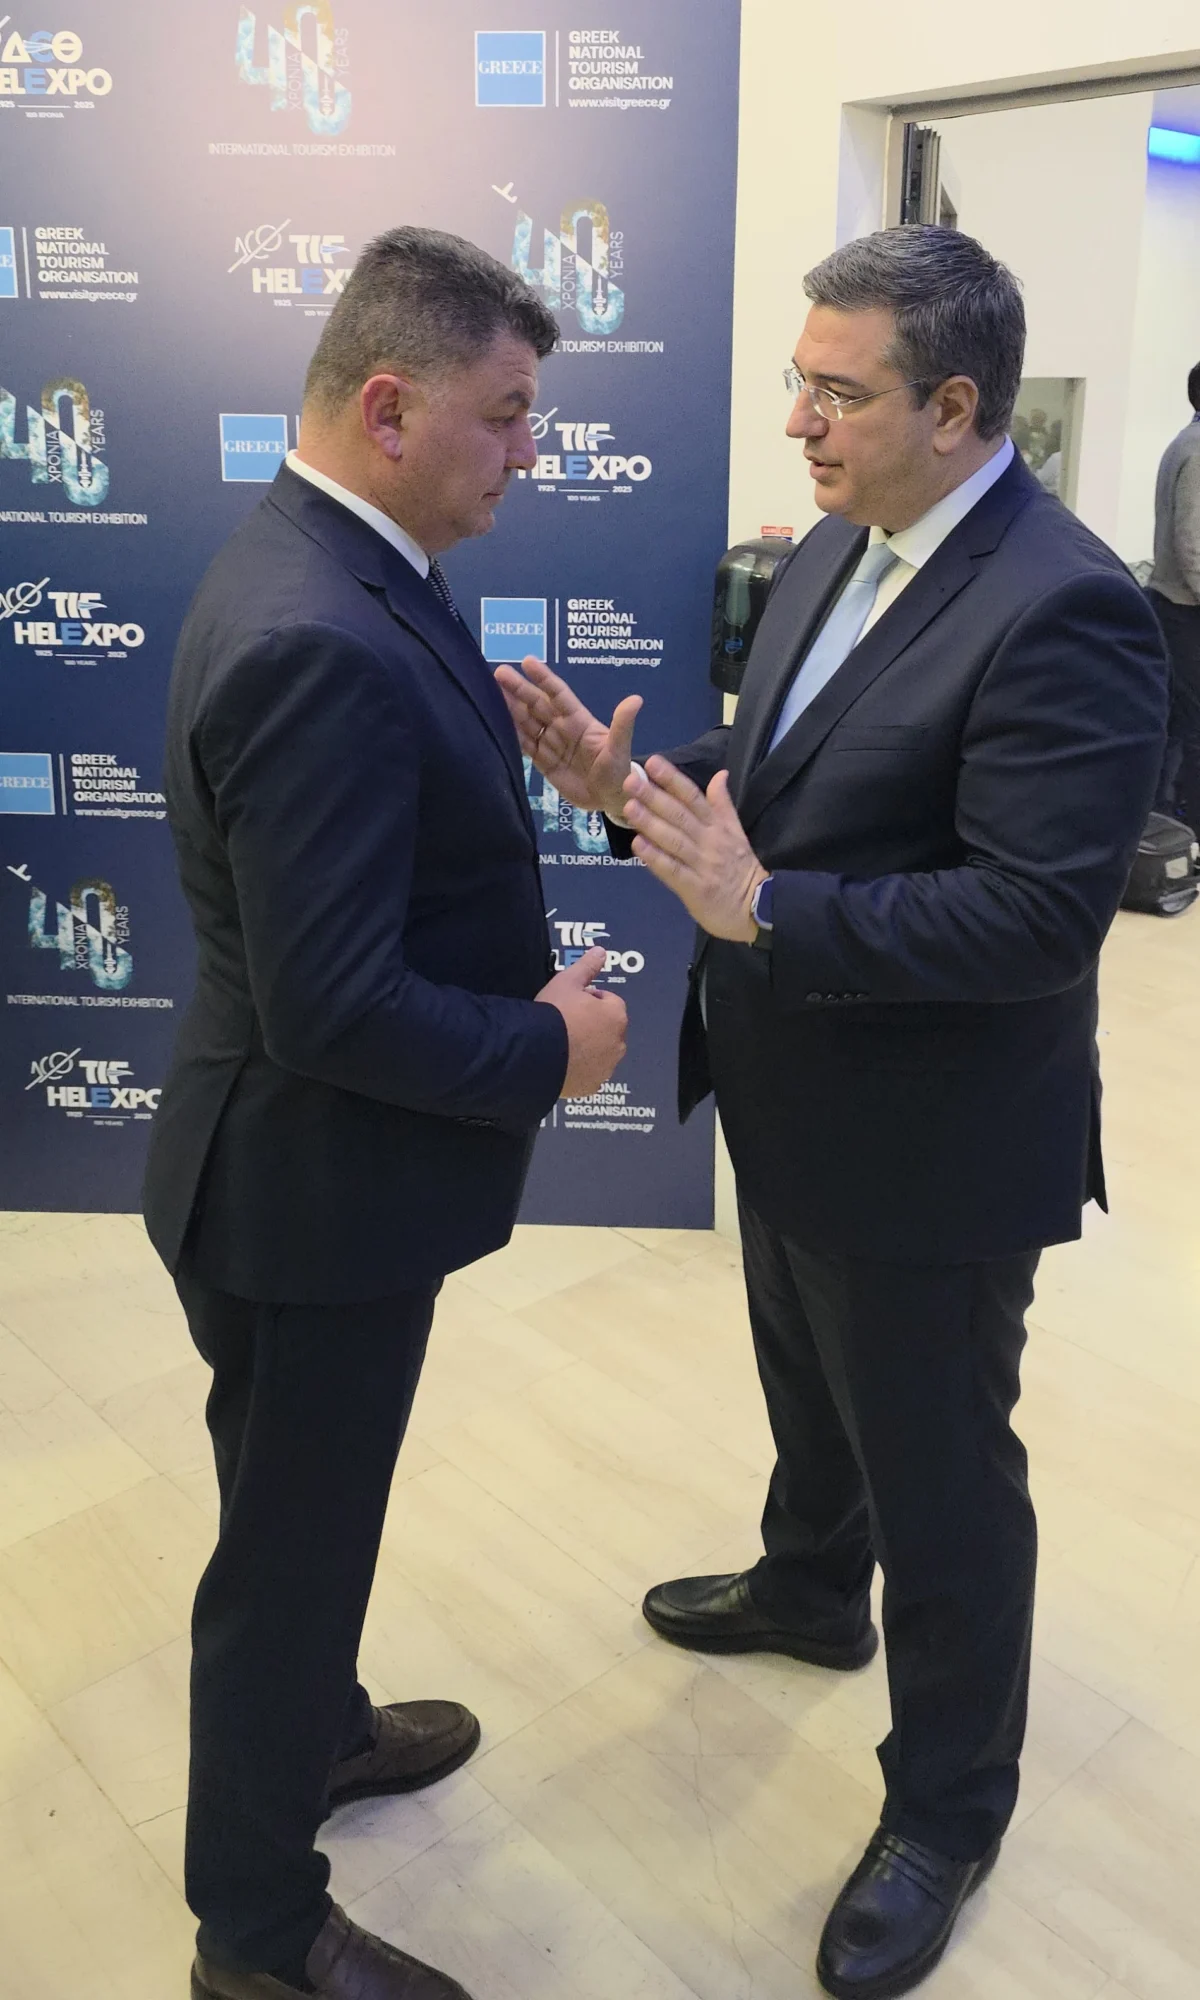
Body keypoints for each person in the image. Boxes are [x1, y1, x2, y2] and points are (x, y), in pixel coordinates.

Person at [495, 225, 1167, 2000]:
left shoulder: (1068, 605)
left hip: (937, 1148)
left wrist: (765, 906)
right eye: (799, 382)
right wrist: (632, 783)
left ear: (955, 406)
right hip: (791, 1090)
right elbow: (783, 770)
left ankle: (948, 1804)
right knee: (809, 1379)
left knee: (942, 1479)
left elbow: (1034, 918)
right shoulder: (831, 545)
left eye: (835, 392)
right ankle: (807, 1585)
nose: (797, 420)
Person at [142, 226, 628, 2000]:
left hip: (311, 1181)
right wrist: (547, 1048)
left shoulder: (345, 561)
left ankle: (324, 1733)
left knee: (303, 1515)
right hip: (306, 1201)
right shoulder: (318, 634)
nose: (529, 452)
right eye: (507, 417)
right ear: (391, 407)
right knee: (288, 1559)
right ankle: (256, 1936)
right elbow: (333, 1005)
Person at [1148, 360, 1200, 832]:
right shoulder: (1198, 451)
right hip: (1187, 611)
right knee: (1192, 729)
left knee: (1177, 725)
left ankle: (1165, 821)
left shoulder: (1184, 442)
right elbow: (1193, 544)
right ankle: (1186, 832)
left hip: (1174, 605)